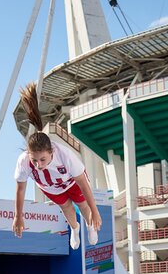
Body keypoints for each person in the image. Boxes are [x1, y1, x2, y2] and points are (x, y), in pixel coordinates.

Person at [12, 83, 102, 250]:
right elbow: (20, 190)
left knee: (82, 204)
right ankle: (75, 229)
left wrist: (95, 211)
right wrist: (18, 216)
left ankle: (89, 226)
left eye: (43, 160)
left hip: (72, 182)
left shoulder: (64, 155)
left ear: (51, 152)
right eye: (34, 160)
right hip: (51, 187)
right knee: (66, 206)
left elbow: (83, 183)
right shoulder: (23, 161)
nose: (38, 165)